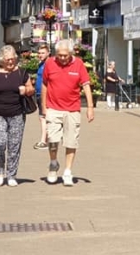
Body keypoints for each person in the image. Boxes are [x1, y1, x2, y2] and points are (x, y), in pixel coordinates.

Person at [0, 45, 33, 187]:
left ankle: (11, 174)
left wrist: (25, 90)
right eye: (8, 59)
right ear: (2, 60)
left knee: (14, 145)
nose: (11, 62)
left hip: (17, 113)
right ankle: (0, 171)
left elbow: (31, 90)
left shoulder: (21, 72)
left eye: (13, 59)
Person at [42, 39, 94, 187]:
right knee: (52, 139)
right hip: (53, 107)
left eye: (65, 55)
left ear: (71, 53)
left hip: (72, 109)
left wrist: (90, 107)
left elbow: (86, 85)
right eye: (60, 55)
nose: (62, 58)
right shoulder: (50, 63)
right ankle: (53, 164)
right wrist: (44, 106)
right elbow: (45, 84)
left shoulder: (78, 64)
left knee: (71, 141)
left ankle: (67, 171)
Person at [32, 43, 49, 149]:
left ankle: (44, 141)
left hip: (45, 94)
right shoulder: (41, 64)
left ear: (48, 53)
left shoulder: (49, 64)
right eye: (39, 53)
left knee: (43, 117)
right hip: (38, 93)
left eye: (43, 53)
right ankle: (47, 139)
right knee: (42, 117)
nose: (40, 55)